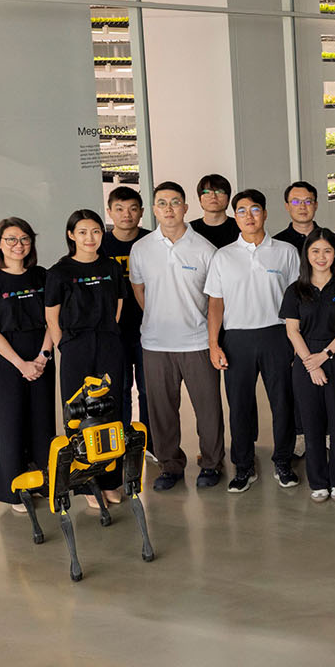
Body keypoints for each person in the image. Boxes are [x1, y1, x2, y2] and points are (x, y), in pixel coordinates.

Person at [129, 182, 224, 490]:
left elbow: (214, 300)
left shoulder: (205, 249)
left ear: (185, 208)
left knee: (207, 408)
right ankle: (170, 465)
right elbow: (139, 291)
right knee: (161, 410)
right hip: (156, 344)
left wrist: (212, 342)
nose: (168, 208)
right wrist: (159, 317)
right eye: (161, 203)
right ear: (154, 209)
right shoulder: (141, 248)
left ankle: (211, 463)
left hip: (196, 342)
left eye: (175, 202)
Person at [205, 189, 301, 493]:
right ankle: (244, 466)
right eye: (242, 210)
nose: (249, 216)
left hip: (277, 335)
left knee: (283, 403)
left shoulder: (285, 251)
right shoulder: (223, 256)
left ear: (266, 213)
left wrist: (296, 342)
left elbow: (298, 299)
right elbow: (215, 304)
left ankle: (283, 461)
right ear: (235, 216)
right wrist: (213, 343)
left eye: (255, 209)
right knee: (240, 406)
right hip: (237, 338)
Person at [46, 209, 128, 503]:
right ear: (71, 235)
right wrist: (65, 346)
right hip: (75, 346)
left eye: (95, 231)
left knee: (109, 410)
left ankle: (109, 481)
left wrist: (107, 333)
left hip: (107, 342)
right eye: (82, 232)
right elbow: (52, 317)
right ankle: (84, 485)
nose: (89, 238)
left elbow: (118, 304)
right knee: (78, 415)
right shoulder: (59, 272)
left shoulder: (110, 266)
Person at [0, 220, 54, 512]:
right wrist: (21, 364)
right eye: (10, 239)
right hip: (8, 359)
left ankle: (44, 480)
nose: (18, 244)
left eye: (24, 239)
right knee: (11, 422)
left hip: (41, 355)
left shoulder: (42, 276)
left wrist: (43, 356)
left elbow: (52, 321)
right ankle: (17, 487)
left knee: (42, 419)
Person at [279, 228, 335, 502]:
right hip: (305, 363)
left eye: (327, 250)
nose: (321, 256)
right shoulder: (296, 290)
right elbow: (292, 331)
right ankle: (318, 482)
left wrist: (324, 356)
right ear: (307, 255)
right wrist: (310, 365)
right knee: (312, 425)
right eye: (315, 251)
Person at [99, 186, 150, 425]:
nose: (126, 214)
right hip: (114, 331)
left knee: (149, 390)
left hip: (148, 328)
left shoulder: (153, 242)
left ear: (141, 212)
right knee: (118, 391)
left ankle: (151, 445)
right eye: (119, 209)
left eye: (132, 208)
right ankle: (122, 444)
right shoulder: (100, 246)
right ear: (109, 212)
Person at [190, 173, 240, 248]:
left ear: (228, 199)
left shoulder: (240, 227)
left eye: (219, 192)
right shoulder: (190, 230)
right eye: (207, 192)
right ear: (200, 199)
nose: (213, 196)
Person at [272, 181, 322, 250]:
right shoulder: (276, 244)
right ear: (287, 206)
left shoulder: (329, 239)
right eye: (296, 202)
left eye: (308, 201)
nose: (302, 206)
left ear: (316, 205)